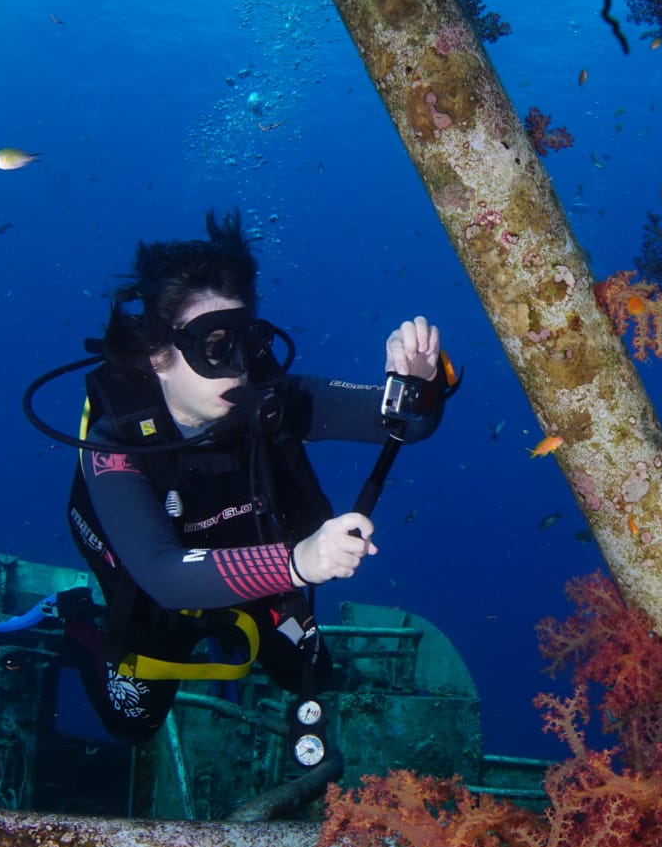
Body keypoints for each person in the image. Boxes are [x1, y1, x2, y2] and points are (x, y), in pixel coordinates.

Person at [48, 209, 449, 755]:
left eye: (245, 340)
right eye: (216, 347)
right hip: (151, 577)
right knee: (134, 723)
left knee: (311, 673)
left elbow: (407, 424)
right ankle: (78, 625)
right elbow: (164, 575)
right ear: (158, 354)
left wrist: (419, 384)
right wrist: (298, 563)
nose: (239, 368)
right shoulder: (115, 440)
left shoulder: (269, 399)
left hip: (251, 559)